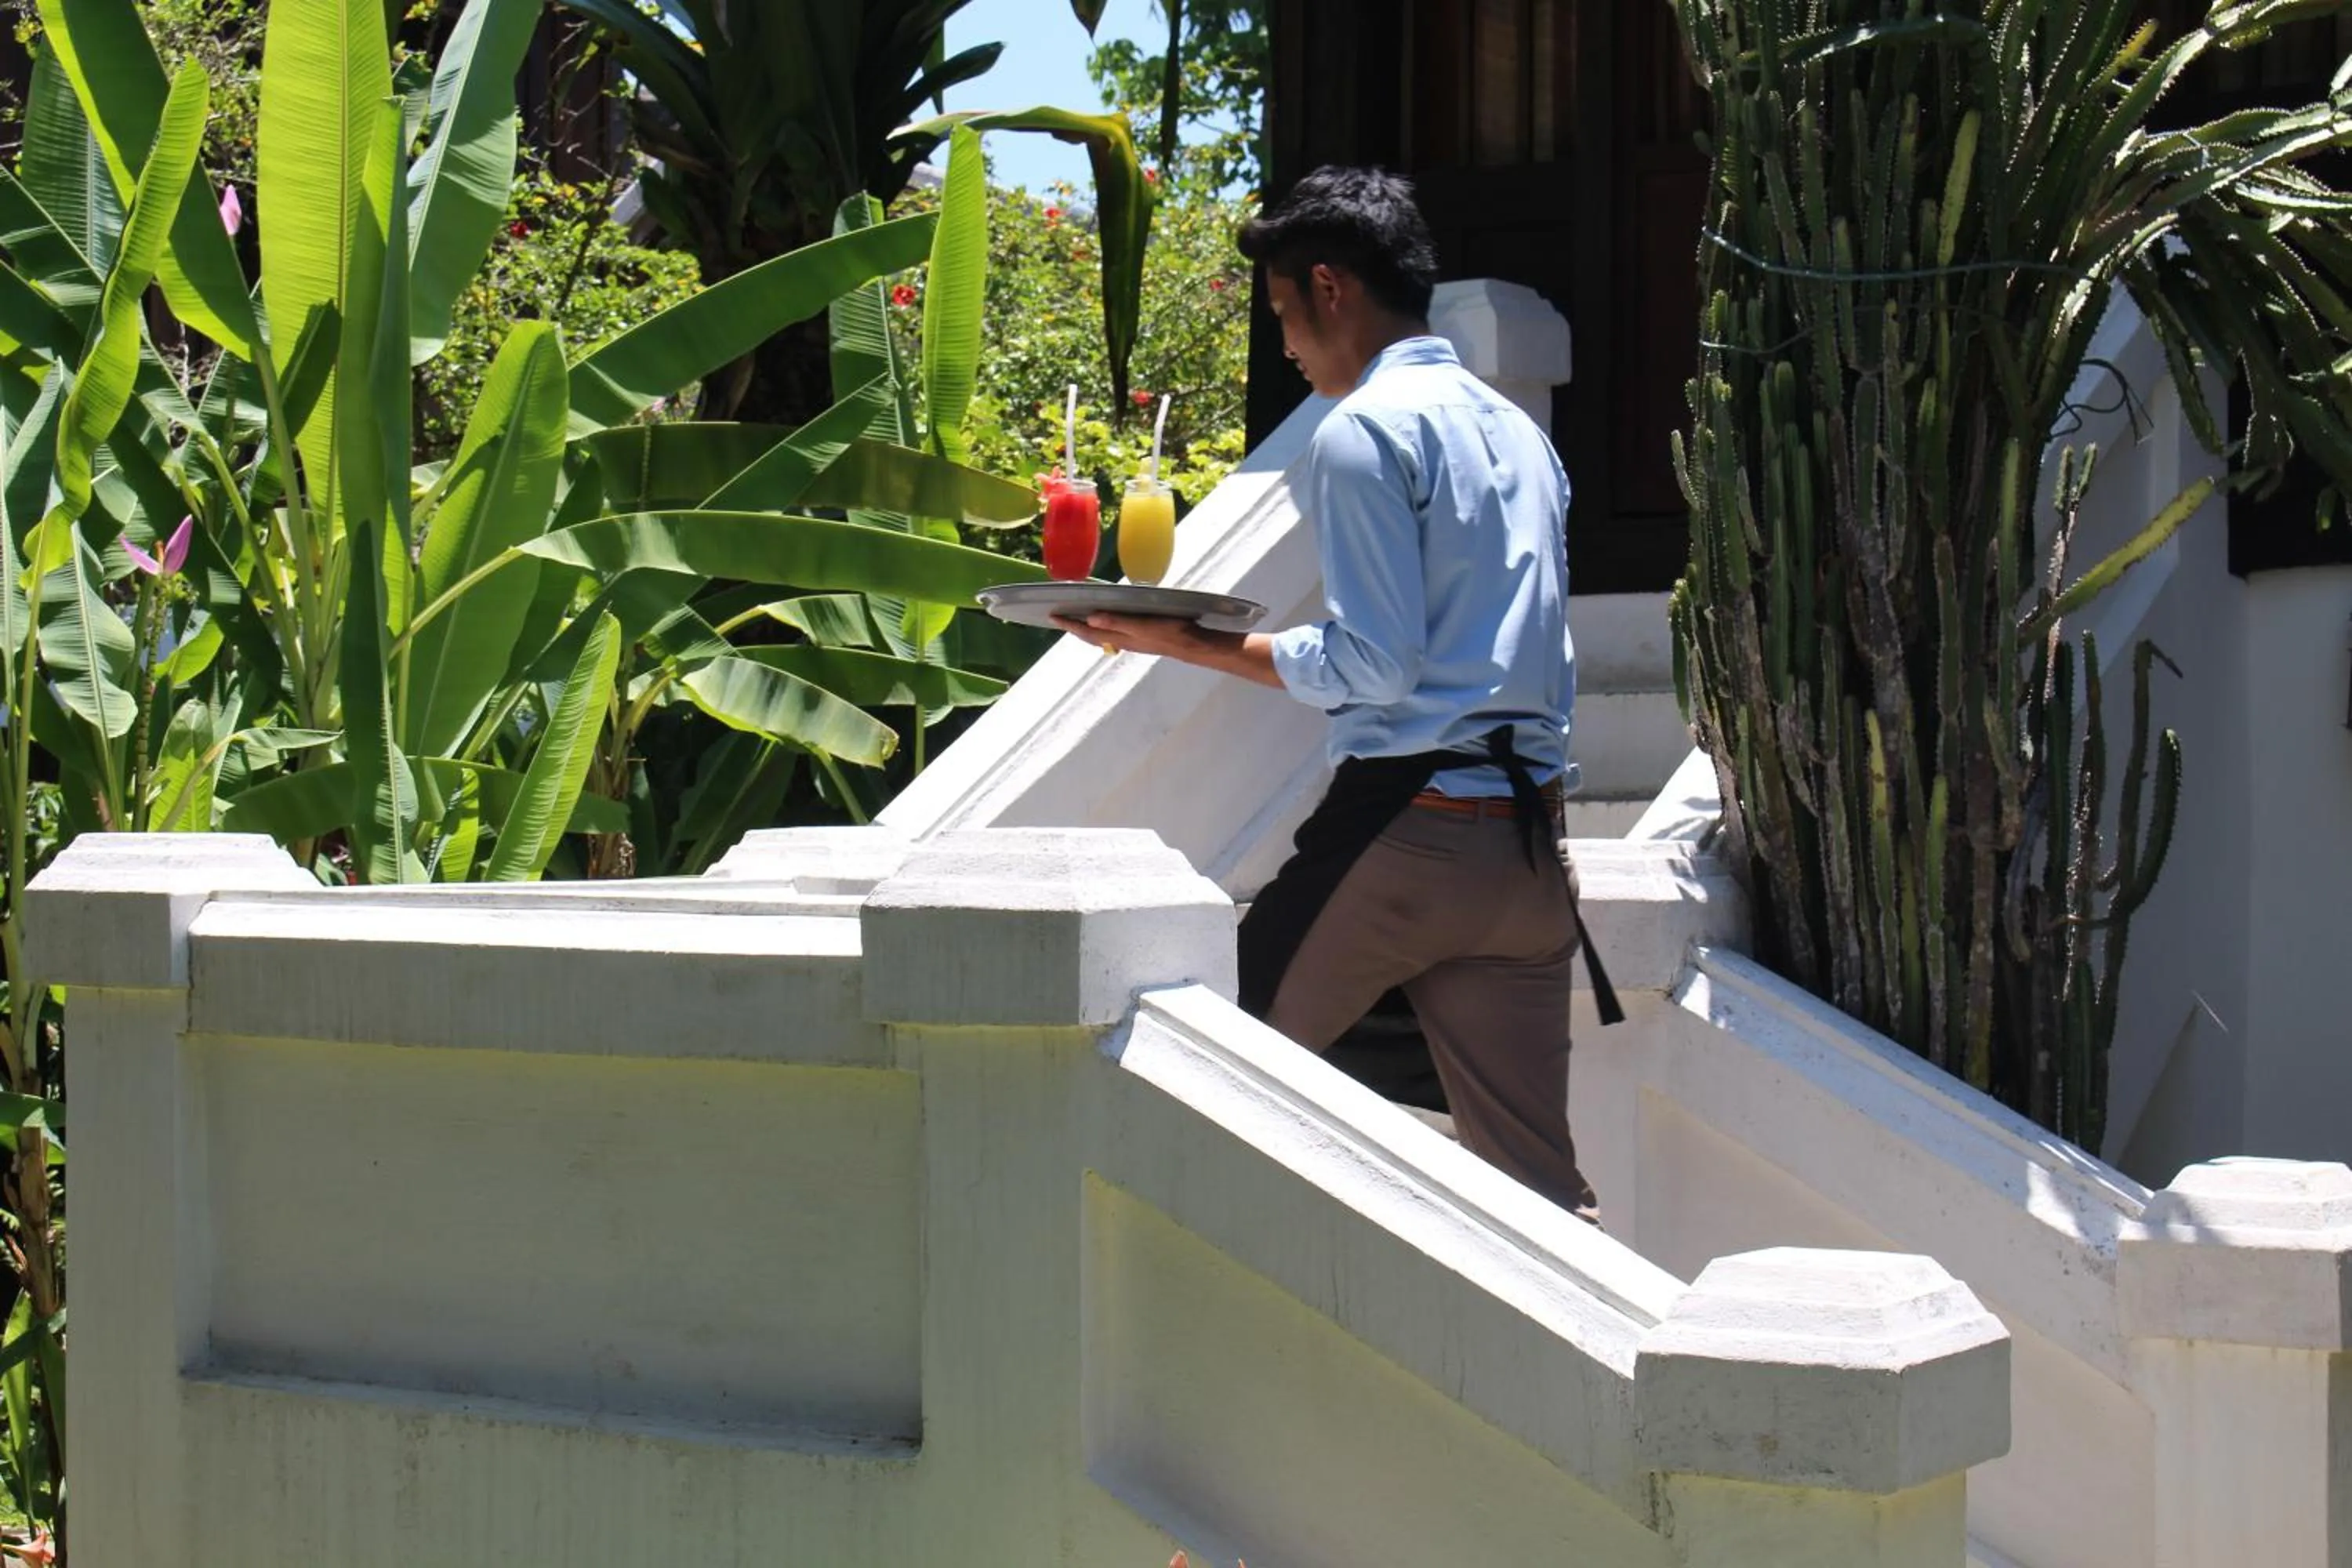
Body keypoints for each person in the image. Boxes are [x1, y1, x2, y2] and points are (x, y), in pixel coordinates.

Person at [1056, 165, 1613, 1225]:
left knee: (1191, 1071)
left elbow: (1374, 664)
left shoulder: (1362, 433)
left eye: (1282, 315)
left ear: (1330, 287)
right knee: (1541, 1199)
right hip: (1532, 853)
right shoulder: (1521, 436)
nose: (1286, 345)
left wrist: (1185, 641)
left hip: (1411, 832)